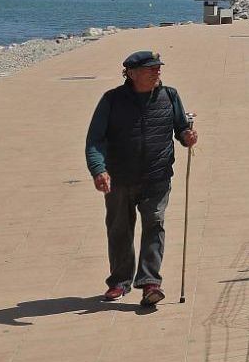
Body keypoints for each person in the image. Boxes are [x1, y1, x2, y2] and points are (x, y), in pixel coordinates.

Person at [84, 50, 198, 306]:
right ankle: (119, 282)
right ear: (132, 73)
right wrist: (98, 169)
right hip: (119, 178)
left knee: (154, 223)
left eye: (158, 67)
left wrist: (187, 136)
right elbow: (95, 140)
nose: (157, 71)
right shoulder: (112, 100)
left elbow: (181, 127)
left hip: (157, 176)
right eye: (151, 68)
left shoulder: (170, 96)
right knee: (119, 229)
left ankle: (150, 283)